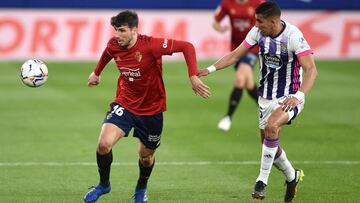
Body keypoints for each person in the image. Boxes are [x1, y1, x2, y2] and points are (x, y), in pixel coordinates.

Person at [83, 10, 210, 203]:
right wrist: (96, 72)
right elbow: (108, 53)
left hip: (152, 110)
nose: (118, 35)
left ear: (134, 30)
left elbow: (187, 46)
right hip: (124, 103)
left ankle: (141, 187)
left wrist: (192, 74)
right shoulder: (114, 44)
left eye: (123, 31)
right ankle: (103, 185)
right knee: (103, 145)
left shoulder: (152, 45)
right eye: (116, 30)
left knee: (145, 157)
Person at [199, 2, 317, 202]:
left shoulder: (293, 36)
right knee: (268, 143)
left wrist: (299, 96)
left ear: (273, 21)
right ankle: (292, 176)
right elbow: (235, 55)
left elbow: (311, 69)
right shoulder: (257, 32)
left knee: (272, 127)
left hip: (289, 97)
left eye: (260, 21)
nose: (256, 24)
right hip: (265, 97)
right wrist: (209, 70)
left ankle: (261, 181)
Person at [213, 0, 264, 131]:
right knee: (248, 83)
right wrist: (221, 28)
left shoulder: (258, 3)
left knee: (240, 79)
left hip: (253, 47)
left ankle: (228, 117)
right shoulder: (227, 4)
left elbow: (269, 20)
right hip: (236, 49)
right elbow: (216, 22)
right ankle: (266, 108)